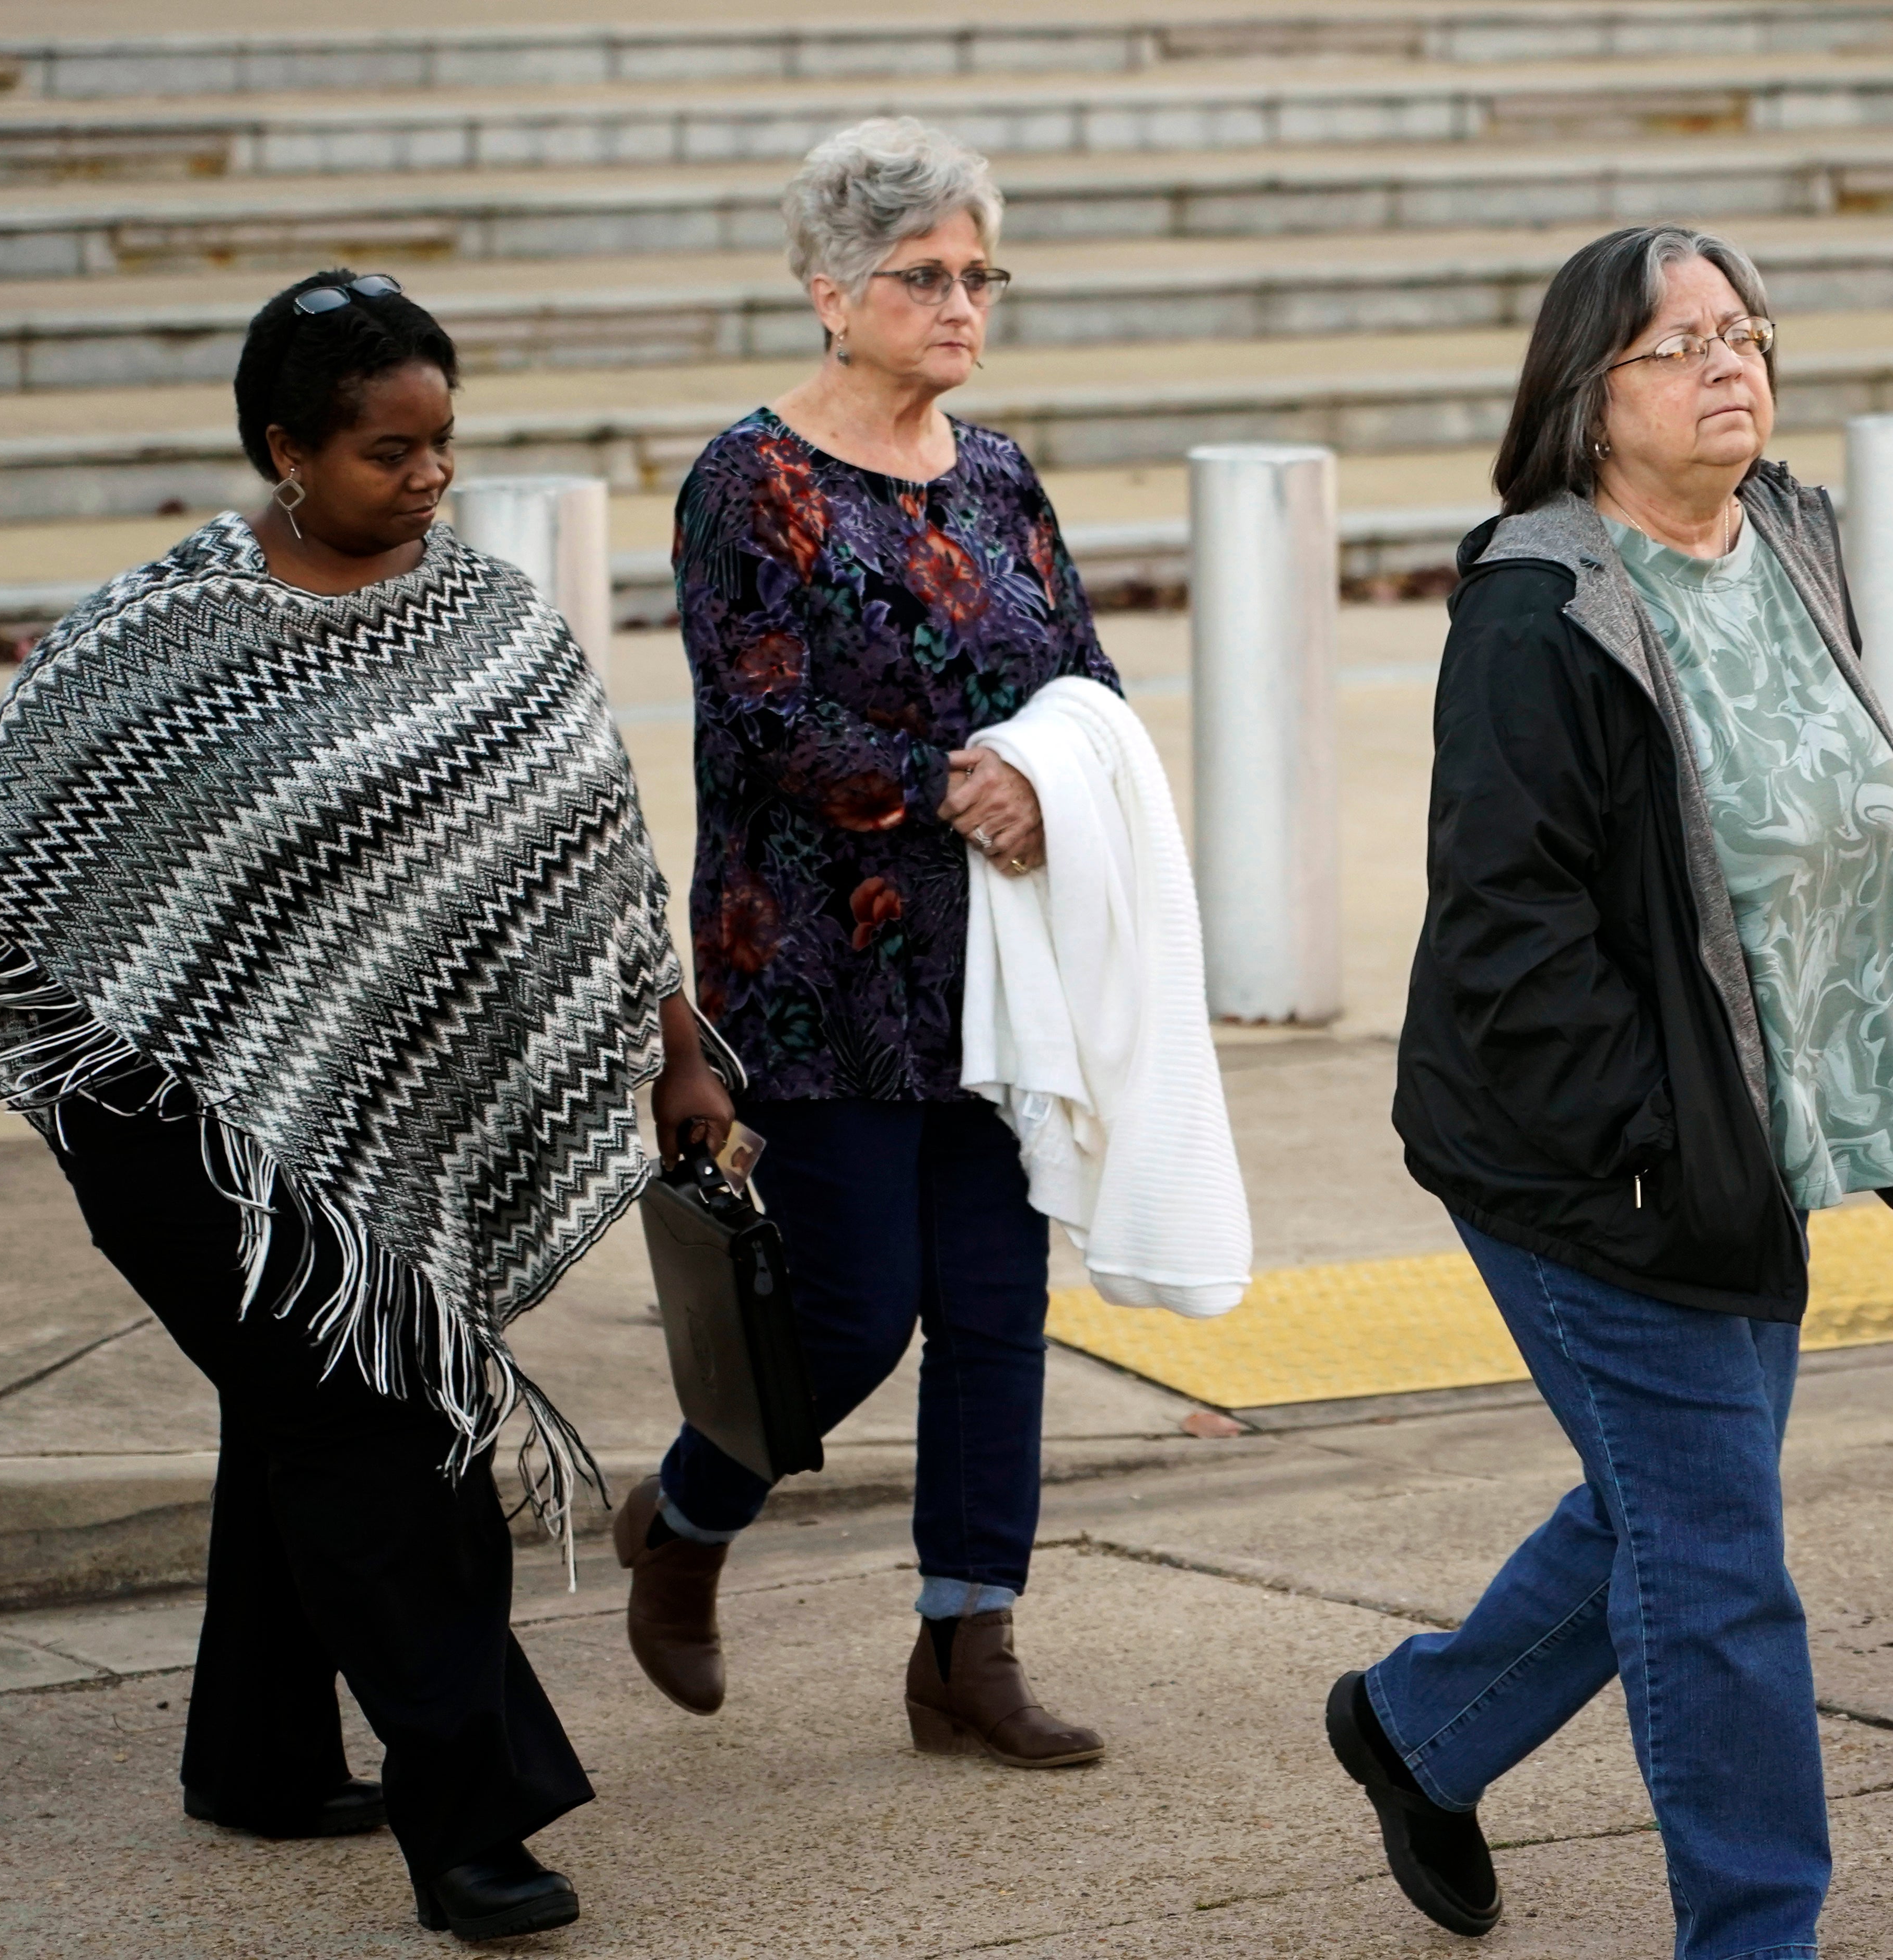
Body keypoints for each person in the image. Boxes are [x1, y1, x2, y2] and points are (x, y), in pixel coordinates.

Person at [0, 270, 734, 1942]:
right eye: (391, 449)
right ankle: (473, 1818)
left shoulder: (492, 615)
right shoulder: (156, 633)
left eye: (444, 442)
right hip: (176, 1119)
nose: (430, 476)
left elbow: (603, 864)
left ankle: (255, 1755)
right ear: (284, 450)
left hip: (391, 1126)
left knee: (311, 1412)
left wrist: (679, 1052)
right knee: (376, 1431)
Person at [1333, 225, 1893, 1958]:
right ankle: (1758, 1935)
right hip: (1592, 1167)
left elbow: (1816, 819)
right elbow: (1510, 933)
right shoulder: (1538, 611)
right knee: (1716, 1573)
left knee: (1664, 1508)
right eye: (1677, 344)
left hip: (1750, 1146)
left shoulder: (1787, 540)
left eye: (1744, 332)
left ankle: (1418, 1728)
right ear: (1586, 398)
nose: (1727, 366)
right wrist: (1652, 1150)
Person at [614, 117, 1117, 1770]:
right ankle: (685, 1523)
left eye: (982, 275)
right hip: (815, 964)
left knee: (992, 1308)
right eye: (926, 277)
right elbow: (758, 720)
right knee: (846, 1314)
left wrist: (1056, 784)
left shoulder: (998, 473)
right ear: (831, 293)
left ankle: (967, 1650)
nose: (962, 304)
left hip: (997, 965)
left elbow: (1086, 683)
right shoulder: (746, 480)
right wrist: (956, 788)